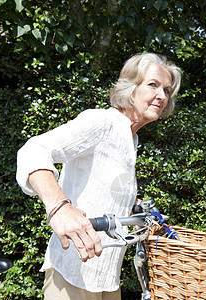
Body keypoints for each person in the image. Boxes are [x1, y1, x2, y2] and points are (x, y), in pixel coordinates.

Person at [16, 53, 182, 299]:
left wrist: (135, 213)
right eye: (153, 85)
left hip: (107, 279)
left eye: (167, 90)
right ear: (130, 87)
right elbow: (33, 150)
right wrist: (59, 207)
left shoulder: (131, 138)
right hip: (73, 276)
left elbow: (105, 194)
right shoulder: (102, 122)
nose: (162, 96)